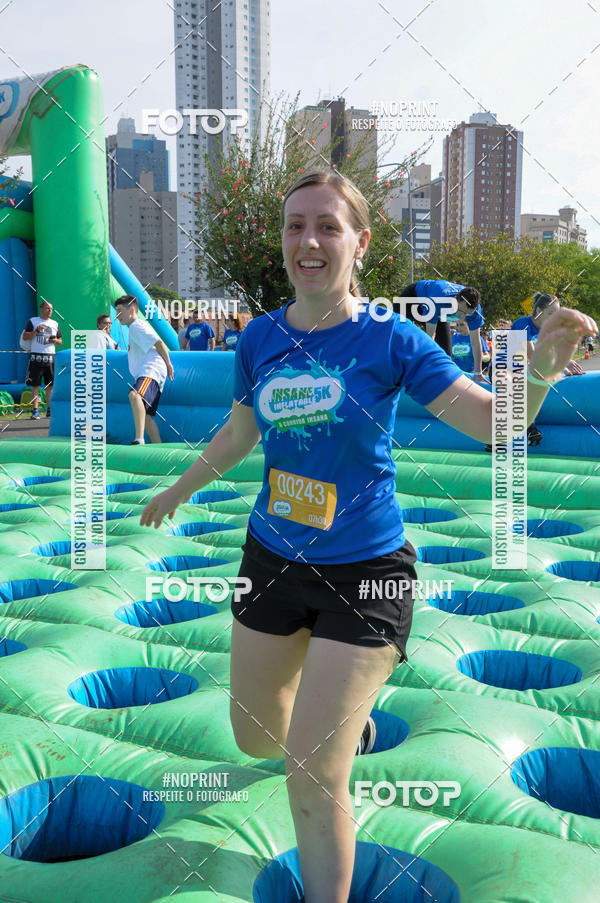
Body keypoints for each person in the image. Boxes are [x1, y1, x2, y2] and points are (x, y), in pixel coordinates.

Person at [138, 169, 596, 903]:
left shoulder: (391, 338)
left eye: (328, 225)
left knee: (313, 768)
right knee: (256, 737)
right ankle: (352, 727)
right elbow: (238, 432)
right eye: (295, 225)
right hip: (271, 560)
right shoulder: (260, 337)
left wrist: (538, 370)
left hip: (366, 575)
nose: (309, 241)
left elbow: (494, 423)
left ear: (360, 242)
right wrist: (177, 488)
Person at [511, 292, 583, 445]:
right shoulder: (522, 324)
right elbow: (533, 355)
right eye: (551, 313)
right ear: (539, 311)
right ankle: (529, 429)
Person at [397, 279, 487, 382]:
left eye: (467, 314)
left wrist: (478, 372)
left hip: (441, 311)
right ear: (454, 300)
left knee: (446, 354)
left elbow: (475, 341)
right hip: (413, 298)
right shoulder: (437, 300)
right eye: (461, 311)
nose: (462, 316)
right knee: (400, 335)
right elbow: (430, 337)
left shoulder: (475, 311)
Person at [114, 294, 174, 444]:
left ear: (131, 310)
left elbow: (159, 343)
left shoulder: (136, 326)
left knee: (135, 395)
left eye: (120, 311)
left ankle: (139, 439)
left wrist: (169, 364)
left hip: (152, 370)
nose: (117, 316)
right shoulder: (135, 327)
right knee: (146, 415)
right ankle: (157, 445)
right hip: (152, 371)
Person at [22, 300, 62, 419]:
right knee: (35, 385)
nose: (50, 311)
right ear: (41, 309)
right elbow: (25, 337)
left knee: (50, 386)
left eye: (51, 309)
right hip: (36, 357)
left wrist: (55, 340)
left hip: (50, 358)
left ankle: (49, 410)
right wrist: (37, 330)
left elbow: (60, 341)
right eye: (48, 308)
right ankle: (35, 410)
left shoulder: (54, 323)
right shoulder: (33, 321)